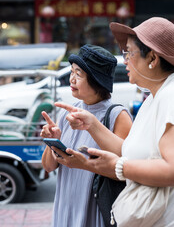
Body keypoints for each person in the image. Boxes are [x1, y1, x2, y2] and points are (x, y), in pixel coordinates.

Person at [54, 17, 174, 226]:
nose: (125, 60)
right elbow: (131, 151)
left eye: (129, 52)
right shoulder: (158, 96)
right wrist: (92, 125)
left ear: (152, 58)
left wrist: (119, 167)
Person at [41, 44, 133, 227]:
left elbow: (127, 169)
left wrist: (85, 165)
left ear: (97, 81)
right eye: (72, 72)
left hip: (96, 209)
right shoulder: (66, 114)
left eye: (79, 74)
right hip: (66, 206)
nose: (72, 79)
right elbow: (48, 167)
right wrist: (52, 141)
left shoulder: (118, 116)